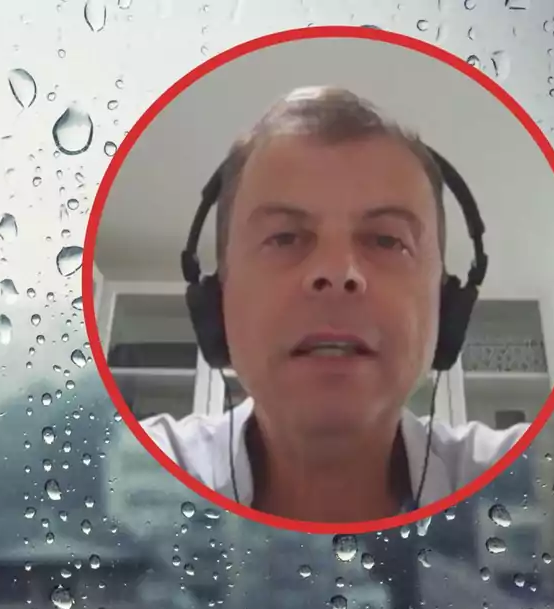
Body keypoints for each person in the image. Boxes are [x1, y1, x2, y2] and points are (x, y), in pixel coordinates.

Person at [140, 86, 530, 524]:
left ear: (444, 301)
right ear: (219, 299)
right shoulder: (133, 470)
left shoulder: (530, 476)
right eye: (284, 237)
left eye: (387, 240)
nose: (338, 271)